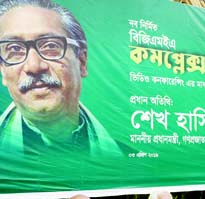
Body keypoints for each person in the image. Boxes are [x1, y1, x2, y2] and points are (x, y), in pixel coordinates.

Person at [0, 0, 122, 157]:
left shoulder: (129, 164)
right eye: (15, 49)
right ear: (3, 70)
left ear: (82, 62)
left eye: (50, 46)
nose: (34, 66)